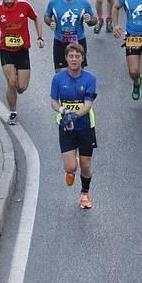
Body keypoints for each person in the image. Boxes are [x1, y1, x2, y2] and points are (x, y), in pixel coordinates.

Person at [50, 43, 97, 209]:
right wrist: (63, 111)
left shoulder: (90, 79)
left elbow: (87, 105)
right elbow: (53, 102)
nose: (74, 59)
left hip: (85, 126)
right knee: (71, 168)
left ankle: (84, 193)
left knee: (86, 164)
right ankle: (70, 168)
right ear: (66, 59)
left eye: (77, 56)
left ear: (82, 59)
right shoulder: (58, 79)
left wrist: (74, 115)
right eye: (71, 56)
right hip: (65, 126)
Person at [0, 0, 43, 124]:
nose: (9, 1)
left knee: (21, 87)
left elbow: (36, 18)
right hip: (6, 50)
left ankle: (15, 86)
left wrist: (39, 37)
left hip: (22, 50)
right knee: (11, 81)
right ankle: (13, 112)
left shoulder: (24, 6)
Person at [44, 0, 96, 72]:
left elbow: (94, 20)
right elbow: (46, 16)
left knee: (78, 72)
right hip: (60, 42)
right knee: (60, 74)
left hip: (78, 42)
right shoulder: (54, 2)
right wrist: (50, 22)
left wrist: (89, 20)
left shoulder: (83, 2)